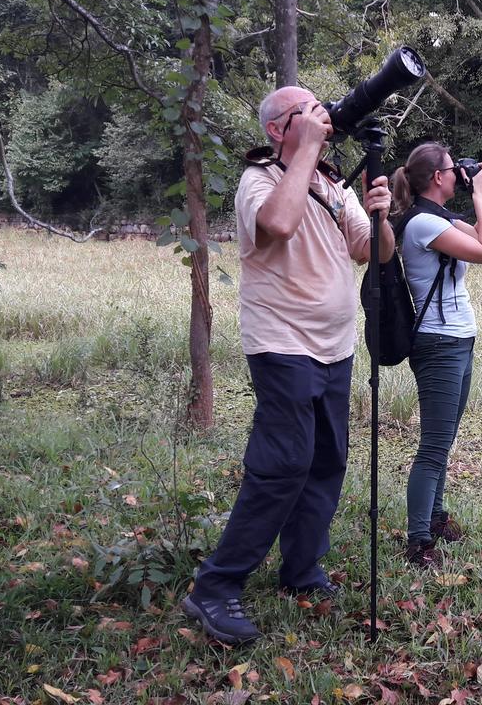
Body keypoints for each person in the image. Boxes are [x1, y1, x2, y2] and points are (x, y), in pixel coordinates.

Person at [181, 86, 394, 644]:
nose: (323, 117)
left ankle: (301, 570)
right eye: (307, 113)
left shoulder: (329, 183)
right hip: (282, 344)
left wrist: (381, 215)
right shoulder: (261, 181)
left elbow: (374, 251)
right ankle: (215, 587)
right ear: (278, 129)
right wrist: (304, 152)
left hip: (336, 347)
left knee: (326, 461)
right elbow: (276, 225)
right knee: (283, 465)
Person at [388, 142, 482, 567]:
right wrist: (478, 193)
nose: (459, 173)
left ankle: (435, 519)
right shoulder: (420, 224)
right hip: (438, 344)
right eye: (454, 169)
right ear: (438, 177)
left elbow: (480, 234)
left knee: (444, 440)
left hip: (458, 340)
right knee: (433, 446)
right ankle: (419, 541)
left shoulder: (437, 219)